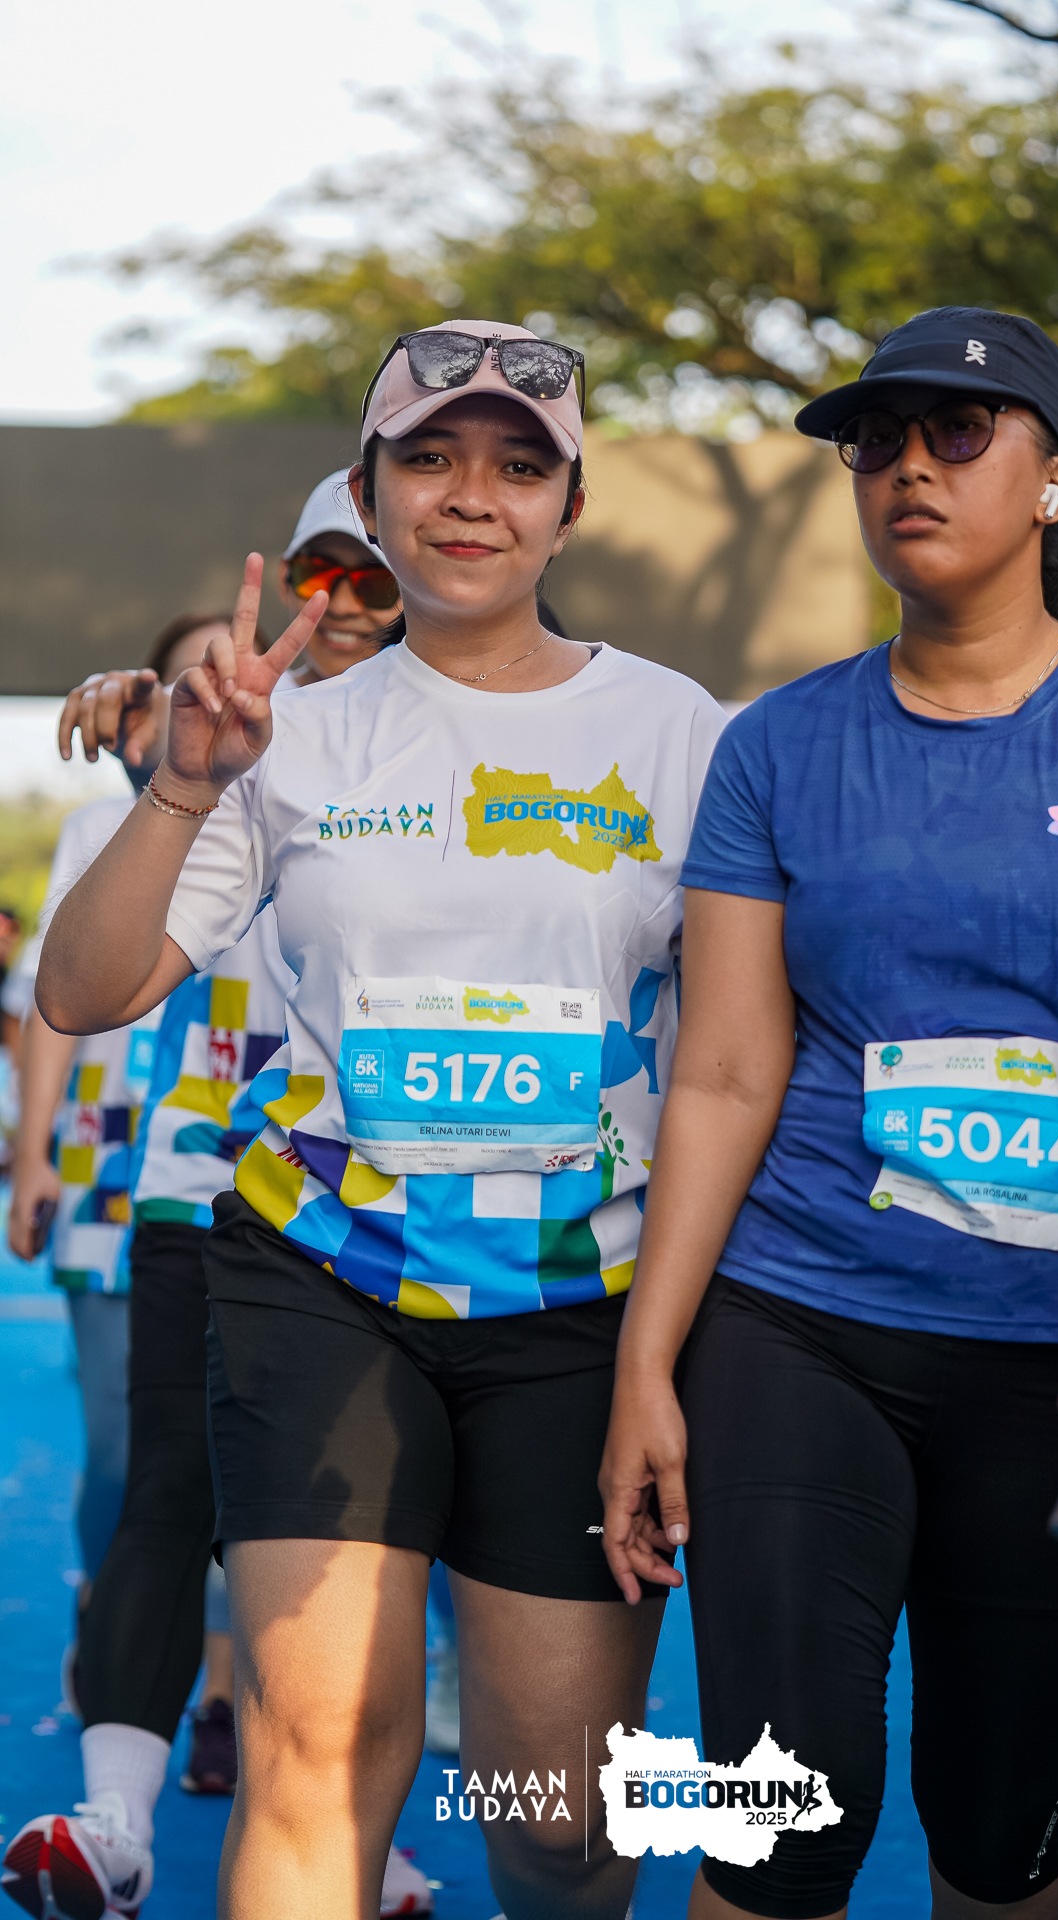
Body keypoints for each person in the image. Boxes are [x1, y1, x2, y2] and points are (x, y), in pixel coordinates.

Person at [29, 317, 724, 1920]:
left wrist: (668, 1354)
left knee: (557, 1815)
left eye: (519, 467)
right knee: (317, 1748)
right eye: (430, 459)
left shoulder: (685, 734)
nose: (471, 496)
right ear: (368, 492)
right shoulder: (292, 735)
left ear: (570, 508)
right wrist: (186, 783)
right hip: (321, 1277)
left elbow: (736, 1059)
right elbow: (79, 989)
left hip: (580, 1304)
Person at [599, 306, 1058, 1920]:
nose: (909, 465)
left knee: (997, 1822)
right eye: (876, 440)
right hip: (801, 1326)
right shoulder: (775, 745)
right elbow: (727, 1072)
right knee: (780, 1817)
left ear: (1052, 485)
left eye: (958, 433)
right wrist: (646, 1361)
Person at [2, 499, 437, 1919]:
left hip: (396, 1202)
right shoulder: (221, 742)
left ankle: (361, 1838)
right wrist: (140, 702)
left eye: (373, 577)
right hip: (202, 1181)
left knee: (360, 1529)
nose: (345, 600)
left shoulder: (470, 742)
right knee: (163, 1486)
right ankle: (112, 1828)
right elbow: (75, 977)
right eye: (321, 573)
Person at [5, 619, 221, 1662]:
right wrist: (33, 1155)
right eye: (191, 678)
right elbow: (50, 1007)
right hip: (109, 1172)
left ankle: (223, 1672)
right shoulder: (99, 827)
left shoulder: (301, 811)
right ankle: (109, 1607)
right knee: (117, 1441)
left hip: (249, 1168)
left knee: (236, 1447)